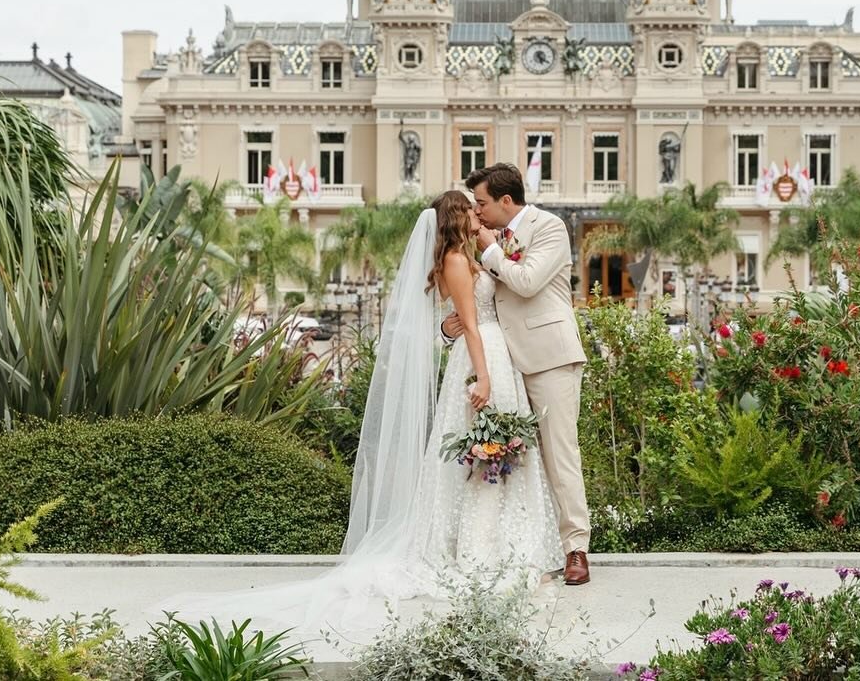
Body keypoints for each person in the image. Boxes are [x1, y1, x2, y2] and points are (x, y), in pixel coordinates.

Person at [158, 190, 562, 639]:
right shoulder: (454, 260)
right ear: (455, 217)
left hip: (492, 355)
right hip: (482, 359)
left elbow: (468, 315)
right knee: (480, 451)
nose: (476, 213)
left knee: (494, 449)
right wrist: (482, 378)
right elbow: (468, 323)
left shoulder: (467, 256)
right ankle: (480, 549)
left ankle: (502, 543)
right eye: (470, 208)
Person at [444, 162, 592, 585]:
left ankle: (575, 549)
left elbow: (526, 282)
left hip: (548, 357)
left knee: (560, 455)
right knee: (514, 461)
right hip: (501, 365)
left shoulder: (549, 228)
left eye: (484, 202)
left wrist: (491, 249)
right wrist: (447, 328)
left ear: (506, 201)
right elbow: (467, 299)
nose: (478, 210)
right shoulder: (478, 240)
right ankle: (529, 545)